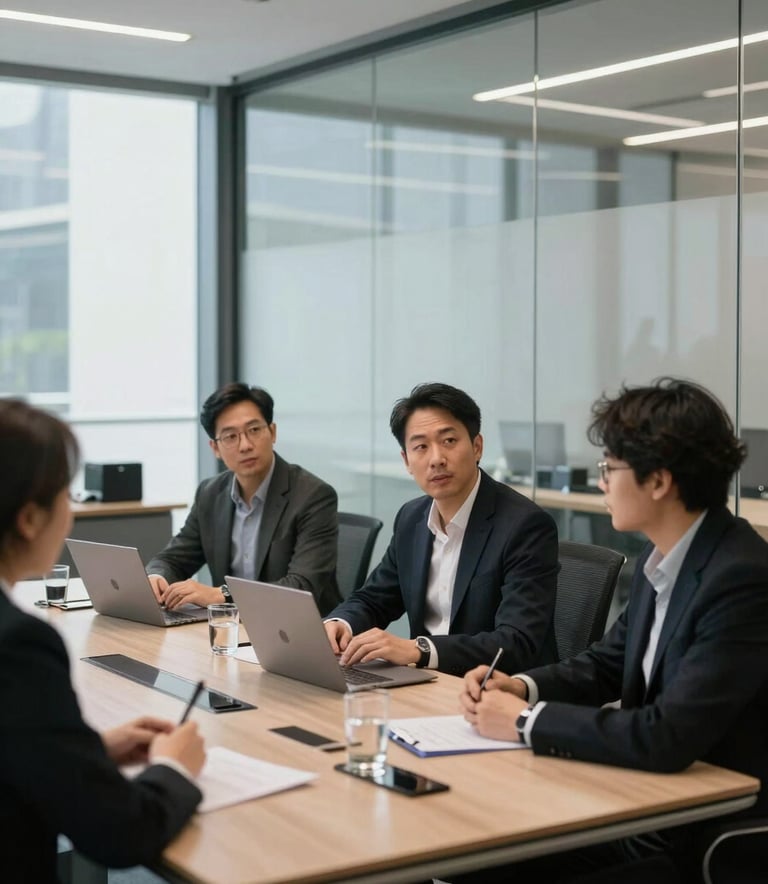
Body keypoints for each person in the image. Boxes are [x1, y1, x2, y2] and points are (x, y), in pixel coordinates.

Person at [460, 377, 768, 882]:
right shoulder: (663, 554)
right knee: (479, 857)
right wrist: (520, 685)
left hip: (705, 835)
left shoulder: (741, 578)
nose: (601, 481)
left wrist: (523, 721)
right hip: (641, 804)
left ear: (659, 480)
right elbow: (607, 663)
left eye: (610, 468)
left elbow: (667, 735)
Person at [0, 398, 205, 881]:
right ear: (30, 519)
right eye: (65, 497)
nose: (70, 513)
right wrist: (174, 769)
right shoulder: (18, 645)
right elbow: (120, 832)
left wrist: (84, 752)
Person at [324, 382, 559, 677]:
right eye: (421, 446)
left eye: (449, 441)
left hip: (494, 691)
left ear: (477, 447)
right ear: (407, 461)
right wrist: (338, 624)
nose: (436, 458)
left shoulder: (524, 526)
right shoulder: (412, 518)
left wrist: (420, 650)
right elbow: (375, 598)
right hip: (428, 684)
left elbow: (516, 642)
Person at [147, 383, 341, 614]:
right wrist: (156, 576)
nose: (246, 445)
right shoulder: (210, 494)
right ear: (215, 448)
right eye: (230, 436)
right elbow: (174, 559)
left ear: (273, 432)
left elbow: (301, 587)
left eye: (254, 430)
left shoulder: (313, 496)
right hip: (232, 629)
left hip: (297, 630)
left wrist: (221, 594)